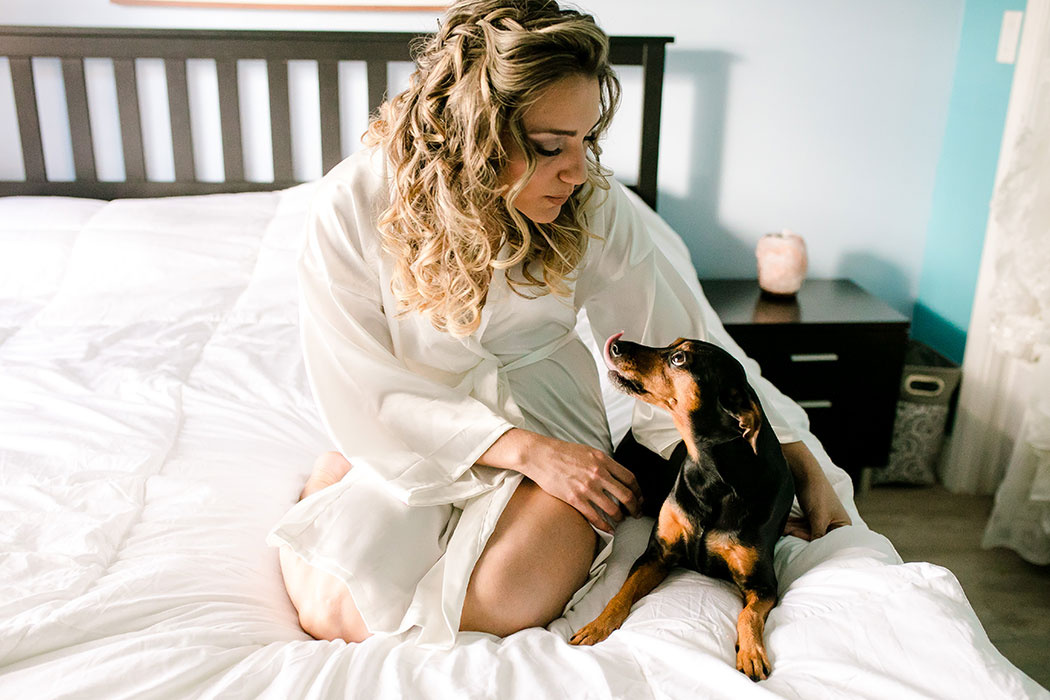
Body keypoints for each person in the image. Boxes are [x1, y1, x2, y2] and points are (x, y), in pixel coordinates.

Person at [268, 0, 851, 649]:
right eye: (550, 147)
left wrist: (794, 452)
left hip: (555, 420)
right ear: (472, 135)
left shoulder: (591, 199)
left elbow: (686, 343)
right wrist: (519, 450)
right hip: (415, 424)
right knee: (333, 614)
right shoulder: (355, 203)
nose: (576, 171)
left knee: (505, 597)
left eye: (587, 139)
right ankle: (334, 474)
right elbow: (360, 380)